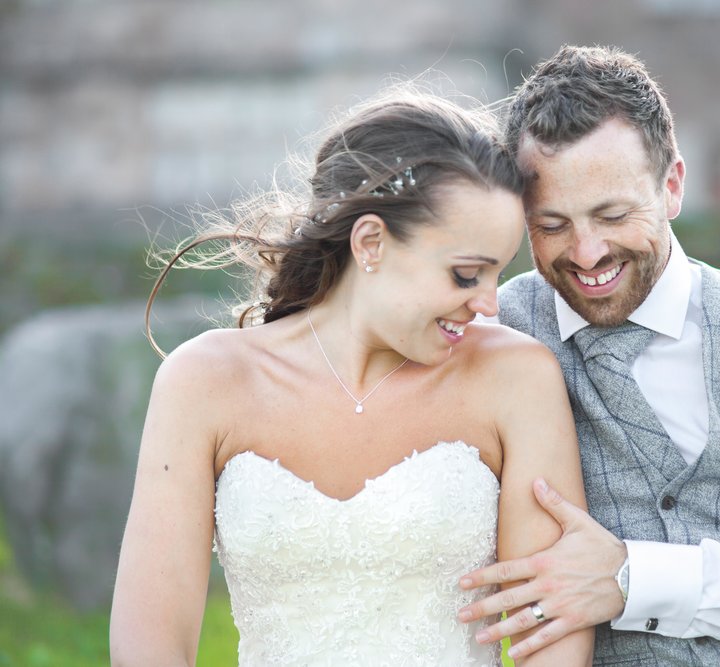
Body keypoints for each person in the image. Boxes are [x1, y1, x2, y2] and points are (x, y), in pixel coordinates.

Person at [109, 89, 594, 666]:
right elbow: (149, 647)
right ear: (370, 243)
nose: (489, 304)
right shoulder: (203, 382)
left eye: (498, 274)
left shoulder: (517, 378)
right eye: (467, 275)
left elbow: (552, 641)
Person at [458, 45, 720, 665]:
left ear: (673, 186)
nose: (585, 253)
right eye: (551, 226)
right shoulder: (489, 332)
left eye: (613, 214)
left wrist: (632, 577)